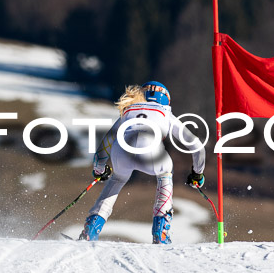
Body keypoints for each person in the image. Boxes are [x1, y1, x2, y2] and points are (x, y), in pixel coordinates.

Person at [79, 81, 206, 244]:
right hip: (151, 151)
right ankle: (161, 232)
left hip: (121, 151)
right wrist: (197, 173)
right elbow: (197, 147)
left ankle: (91, 228)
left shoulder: (128, 110)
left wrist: (99, 169)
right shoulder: (165, 112)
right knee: (165, 174)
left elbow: (105, 145)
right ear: (166, 99)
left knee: (117, 179)